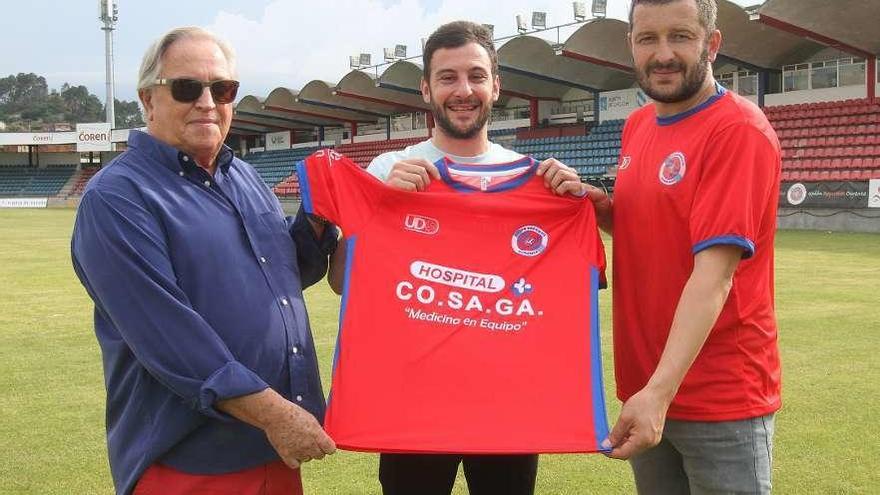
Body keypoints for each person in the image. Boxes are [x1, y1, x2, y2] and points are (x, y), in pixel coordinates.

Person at [71, 27, 337, 495]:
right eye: (187, 87)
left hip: (271, 451)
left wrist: (317, 221)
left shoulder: (246, 176)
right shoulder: (117, 197)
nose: (208, 102)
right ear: (149, 100)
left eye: (223, 88)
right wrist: (278, 415)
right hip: (190, 462)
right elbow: (169, 337)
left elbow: (281, 275)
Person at [327, 21, 587, 495]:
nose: (463, 90)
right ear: (426, 88)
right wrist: (378, 211)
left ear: (496, 85)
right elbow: (342, 281)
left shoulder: (536, 178)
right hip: (412, 407)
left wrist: (572, 202)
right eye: (448, 77)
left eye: (476, 75)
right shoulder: (387, 170)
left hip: (505, 405)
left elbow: (567, 294)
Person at [577, 0, 782, 493]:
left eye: (680, 37)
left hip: (718, 399)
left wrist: (658, 394)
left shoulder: (736, 130)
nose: (663, 54)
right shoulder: (639, 125)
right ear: (631, 46)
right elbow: (650, 231)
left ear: (712, 43)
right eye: (648, 38)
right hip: (645, 388)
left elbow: (714, 276)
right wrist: (597, 206)